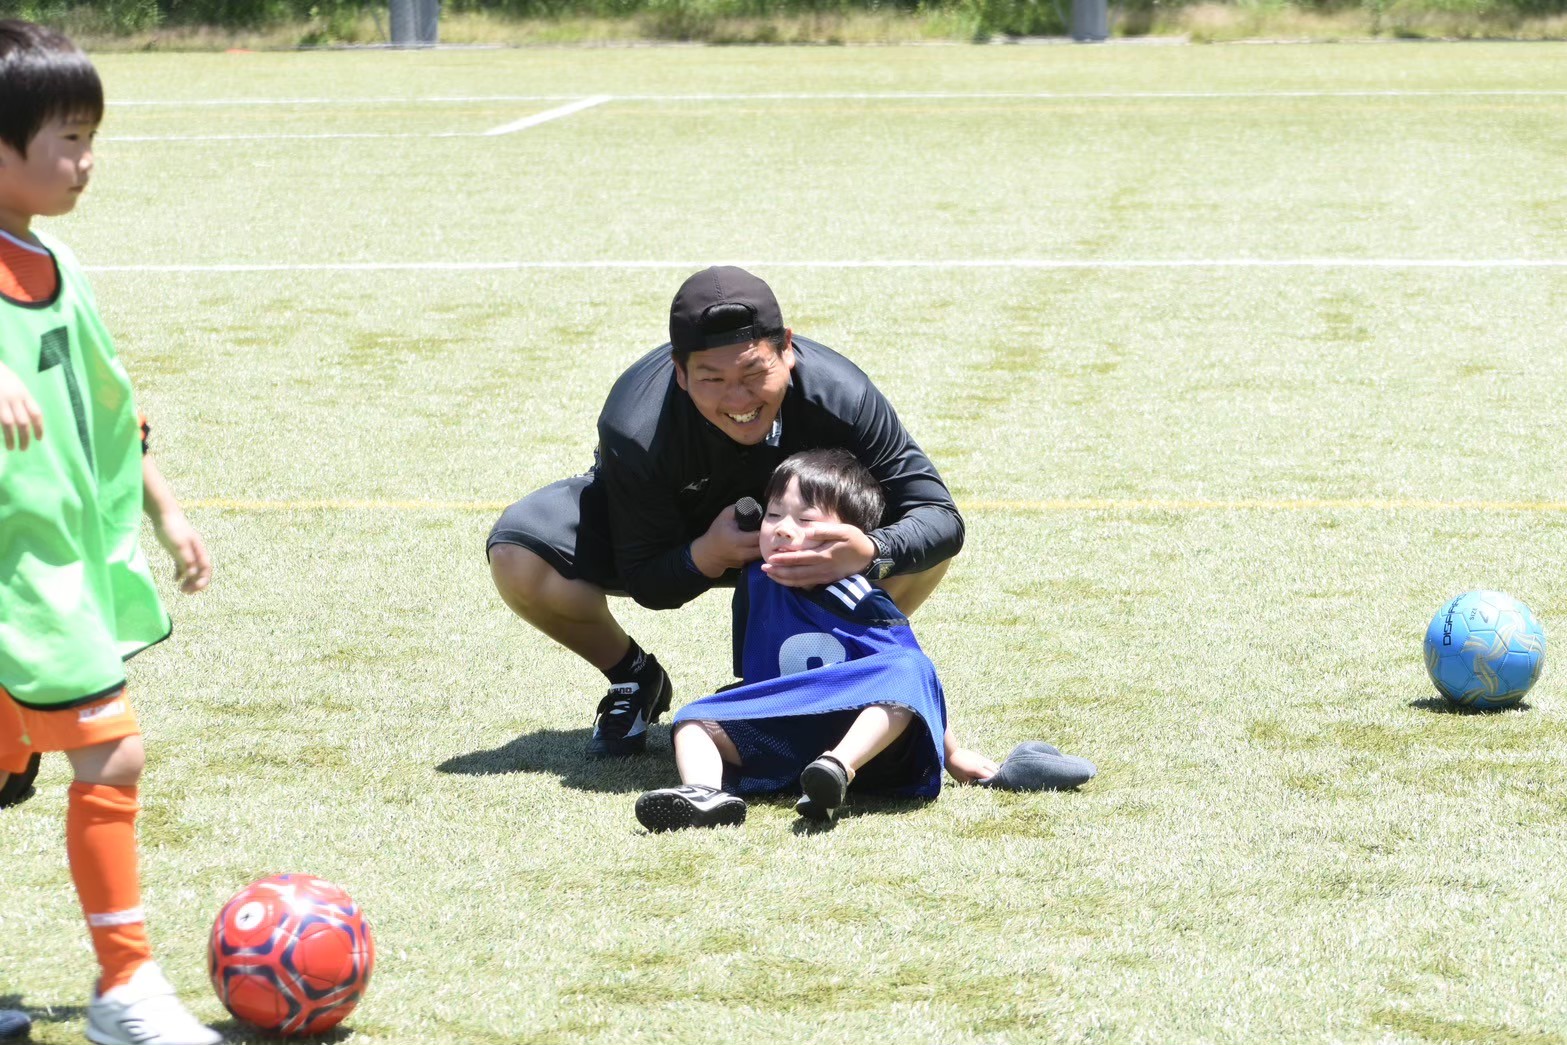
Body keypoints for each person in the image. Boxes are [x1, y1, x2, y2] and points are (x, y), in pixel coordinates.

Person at [488, 265, 965, 759]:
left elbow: (939, 515)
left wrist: (869, 550)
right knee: (520, 555)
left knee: (918, 546)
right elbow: (647, 578)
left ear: (788, 350)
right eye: (711, 379)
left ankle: (827, 670)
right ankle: (634, 678)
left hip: (813, 551)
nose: (738, 400)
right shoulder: (636, 424)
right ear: (679, 371)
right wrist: (703, 554)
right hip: (684, 532)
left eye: (754, 373)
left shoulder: (842, 396)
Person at [0, 20, 219, 1045]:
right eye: (68, 139)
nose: (87, 162)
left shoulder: (56, 263)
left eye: (91, 137)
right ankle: (125, 986)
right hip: (18, 584)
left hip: (51, 571)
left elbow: (108, 404)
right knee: (112, 752)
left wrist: (165, 508)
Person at [635, 449, 999, 831]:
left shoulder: (858, 597)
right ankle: (704, 794)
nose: (782, 528)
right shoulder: (755, 581)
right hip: (785, 733)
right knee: (693, 719)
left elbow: (913, 682)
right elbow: (756, 677)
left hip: (861, 741)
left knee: (909, 666)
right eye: (773, 515)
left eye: (806, 520)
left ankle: (837, 770)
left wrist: (952, 755)